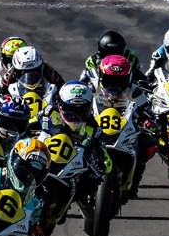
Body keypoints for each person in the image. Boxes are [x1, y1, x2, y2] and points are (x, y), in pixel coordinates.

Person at [34, 80, 111, 227]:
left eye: (82, 110)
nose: (77, 116)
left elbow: (103, 155)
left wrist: (98, 162)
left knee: (92, 182)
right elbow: (28, 124)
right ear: (61, 106)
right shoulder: (48, 112)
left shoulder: (94, 128)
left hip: (70, 169)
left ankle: (62, 206)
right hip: (42, 157)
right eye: (71, 110)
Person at [94, 54, 157, 198]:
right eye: (110, 79)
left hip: (126, 127)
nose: (115, 84)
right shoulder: (93, 88)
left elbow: (147, 111)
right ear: (102, 76)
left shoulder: (135, 91)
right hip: (98, 125)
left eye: (120, 80)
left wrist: (149, 121)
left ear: (128, 78)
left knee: (147, 143)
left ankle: (133, 184)